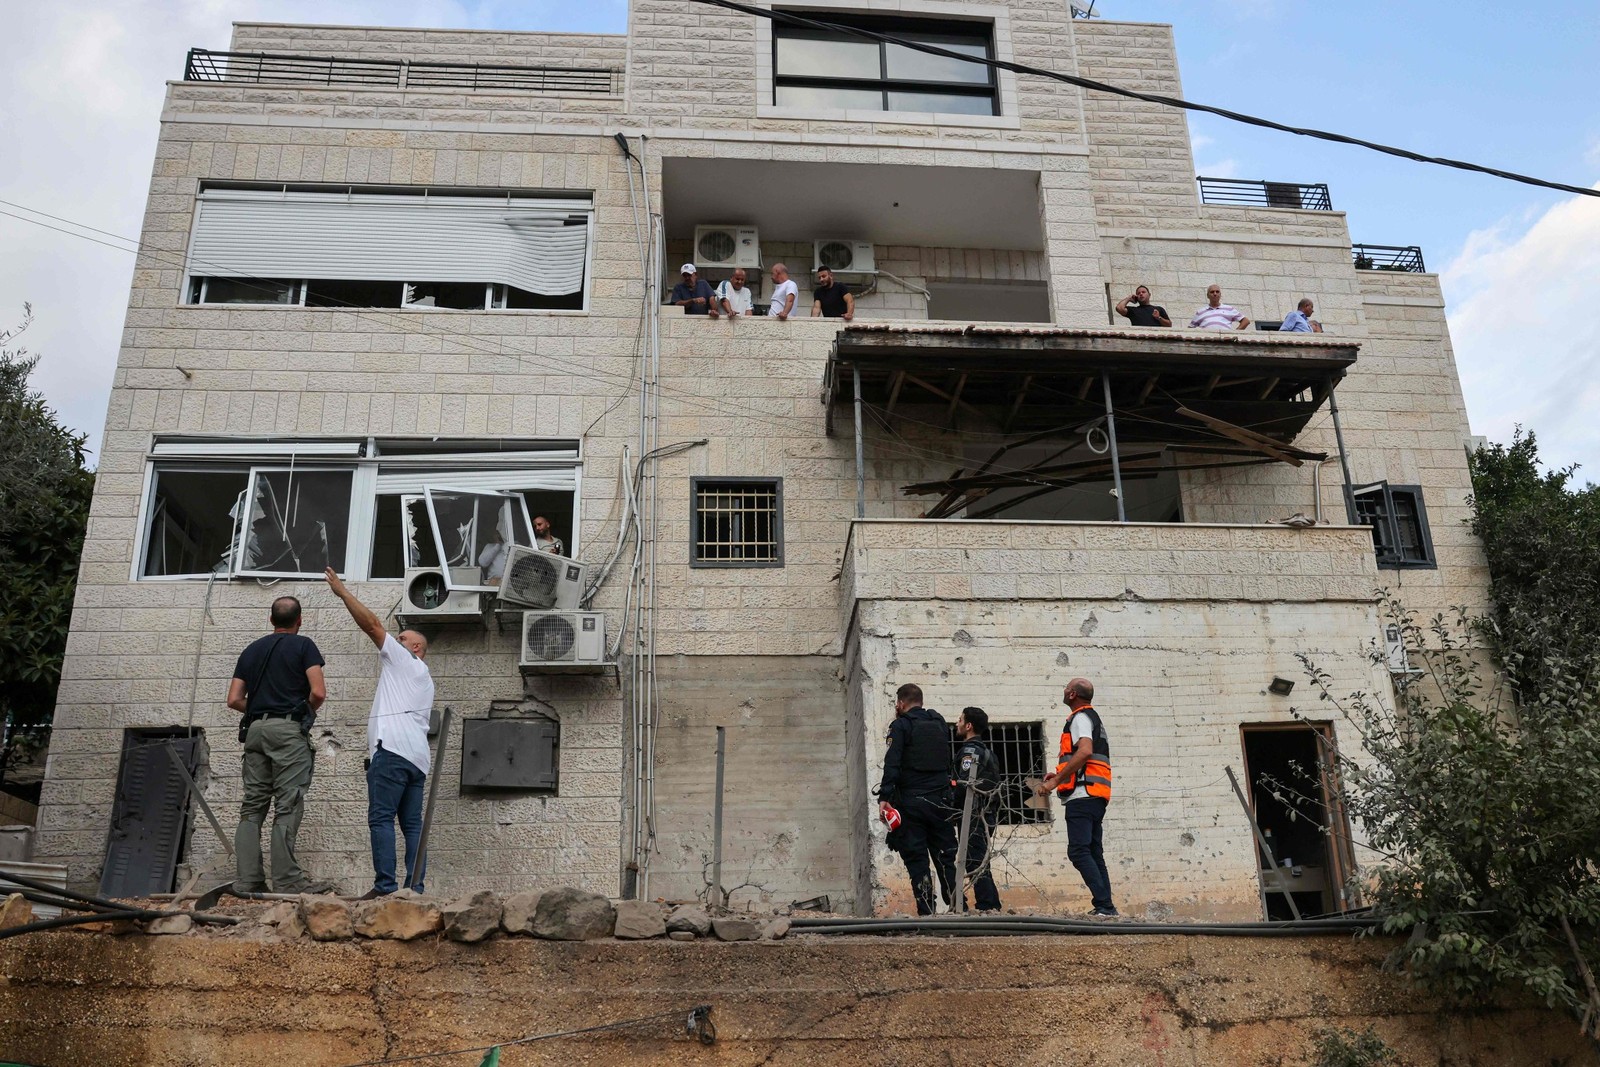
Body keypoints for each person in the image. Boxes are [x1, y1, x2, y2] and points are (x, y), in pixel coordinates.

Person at [325, 567, 436, 899]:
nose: (395, 641)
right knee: (413, 826)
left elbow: (372, 625)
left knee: (381, 819)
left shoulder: (404, 661)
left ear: (416, 647)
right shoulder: (425, 678)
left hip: (393, 754)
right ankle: (414, 888)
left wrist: (343, 592)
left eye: (403, 639)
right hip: (417, 759)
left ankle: (385, 887)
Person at [227, 596, 334, 894]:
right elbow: (319, 692)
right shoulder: (304, 646)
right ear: (300, 620)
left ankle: (248, 880)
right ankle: (287, 880)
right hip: (287, 730)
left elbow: (234, 699)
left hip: (256, 730)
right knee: (287, 804)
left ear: (271, 620)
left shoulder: (251, 650)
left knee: (252, 807)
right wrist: (302, 713)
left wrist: (261, 708)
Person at [1037, 678, 1116, 916]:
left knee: (1079, 851)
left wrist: (1054, 782)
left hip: (1083, 795)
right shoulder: (1093, 718)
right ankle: (1106, 907)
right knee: (1092, 851)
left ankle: (1104, 905)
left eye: (1065, 687)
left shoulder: (1080, 718)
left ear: (1072, 694)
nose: (1063, 690)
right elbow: (1085, 758)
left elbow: (1085, 751)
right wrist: (1061, 772)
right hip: (1096, 794)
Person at [877, 682, 958, 915]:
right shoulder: (939, 722)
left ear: (901, 703)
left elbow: (892, 763)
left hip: (912, 803)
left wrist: (884, 797)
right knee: (946, 857)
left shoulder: (900, 726)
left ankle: (927, 912)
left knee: (917, 859)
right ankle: (957, 907)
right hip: (941, 802)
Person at [953, 706, 1003, 913]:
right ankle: (990, 903)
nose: (957, 723)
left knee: (974, 859)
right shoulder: (988, 752)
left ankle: (988, 904)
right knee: (980, 858)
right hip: (988, 813)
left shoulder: (969, 752)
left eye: (960, 719)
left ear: (969, 725)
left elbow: (966, 784)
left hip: (973, 813)